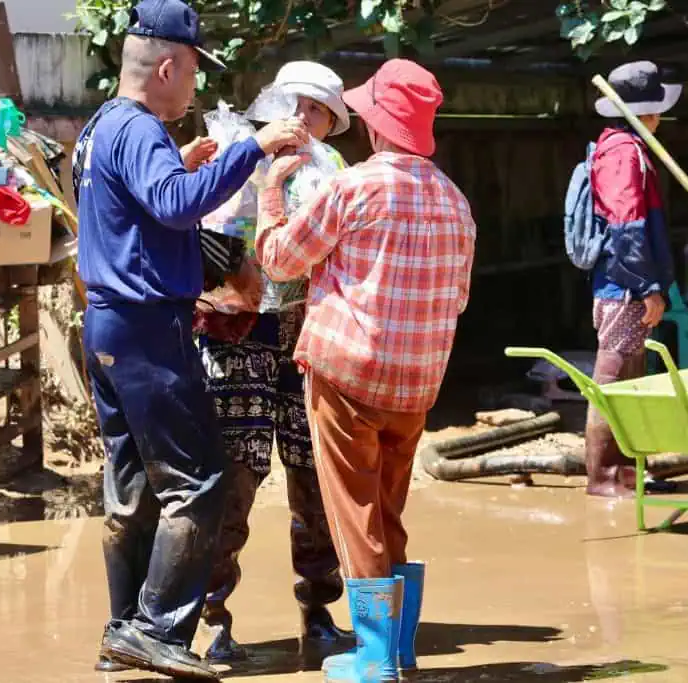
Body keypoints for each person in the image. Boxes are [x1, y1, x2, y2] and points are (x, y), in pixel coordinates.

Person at [73, 0, 309, 678]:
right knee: (198, 480)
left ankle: (124, 630)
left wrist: (181, 163)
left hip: (108, 327)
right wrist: (251, 149)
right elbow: (178, 206)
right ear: (168, 65)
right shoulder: (139, 128)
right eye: (194, 73)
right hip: (149, 327)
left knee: (132, 487)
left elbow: (140, 200)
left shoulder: (100, 128)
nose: (197, 88)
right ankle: (157, 628)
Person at [254, 59, 476, 682]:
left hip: (347, 377)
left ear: (376, 128)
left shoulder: (353, 187)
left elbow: (278, 261)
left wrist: (273, 193)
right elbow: (456, 300)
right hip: (415, 386)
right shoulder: (455, 202)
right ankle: (397, 649)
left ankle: (374, 660)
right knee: (388, 511)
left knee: (354, 515)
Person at [193, 61, 354, 663]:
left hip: (304, 330)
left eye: (317, 110)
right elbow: (206, 238)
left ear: (331, 121)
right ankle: (212, 619)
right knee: (234, 471)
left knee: (311, 472)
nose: (303, 118)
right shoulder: (240, 154)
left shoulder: (333, 170)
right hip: (237, 332)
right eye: (296, 105)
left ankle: (318, 612)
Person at [585, 60, 679, 498]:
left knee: (629, 377)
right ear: (643, 114)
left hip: (624, 282)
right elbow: (626, 223)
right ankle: (604, 477)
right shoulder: (624, 152)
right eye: (656, 110)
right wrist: (647, 288)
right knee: (614, 375)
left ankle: (625, 473)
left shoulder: (624, 148)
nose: (660, 119)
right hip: (624, 285)